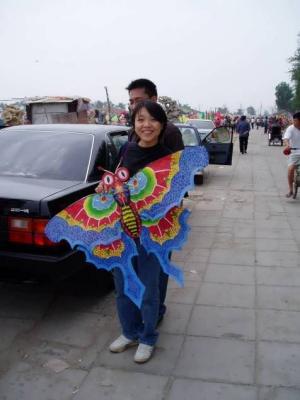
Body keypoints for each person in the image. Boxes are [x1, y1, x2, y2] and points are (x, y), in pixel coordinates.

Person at [108, 100, 173, 363]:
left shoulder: (169, 157)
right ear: (133, 124)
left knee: (148, 288)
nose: (146, 125)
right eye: (140, 120)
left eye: (153, 120)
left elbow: (173, 197)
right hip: (122, 231)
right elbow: (116, 180)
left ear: (162, 124)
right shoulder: (126, 149)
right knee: (123, 285)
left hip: (154, 233)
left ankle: (147, 336)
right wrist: (107, 188)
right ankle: (129, 331)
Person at [126, 78, 184, 327]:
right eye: (131, 102)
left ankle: (156, 311)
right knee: (143, 269)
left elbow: (178, 175)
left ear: (154, 99)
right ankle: (147, 310)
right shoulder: (134, 130)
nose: (133, 106)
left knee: (158, 267)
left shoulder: (168, 132)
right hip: (135, 217)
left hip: (162, 216)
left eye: (138, 100)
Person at [283, 111, 300, 198]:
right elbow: (286, 138)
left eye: (295, 120)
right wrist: (287, 145)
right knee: (290, 170)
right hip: (294, 153)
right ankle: (290, 190)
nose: (294, 122)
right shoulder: (291, 128)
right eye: (294, 120)